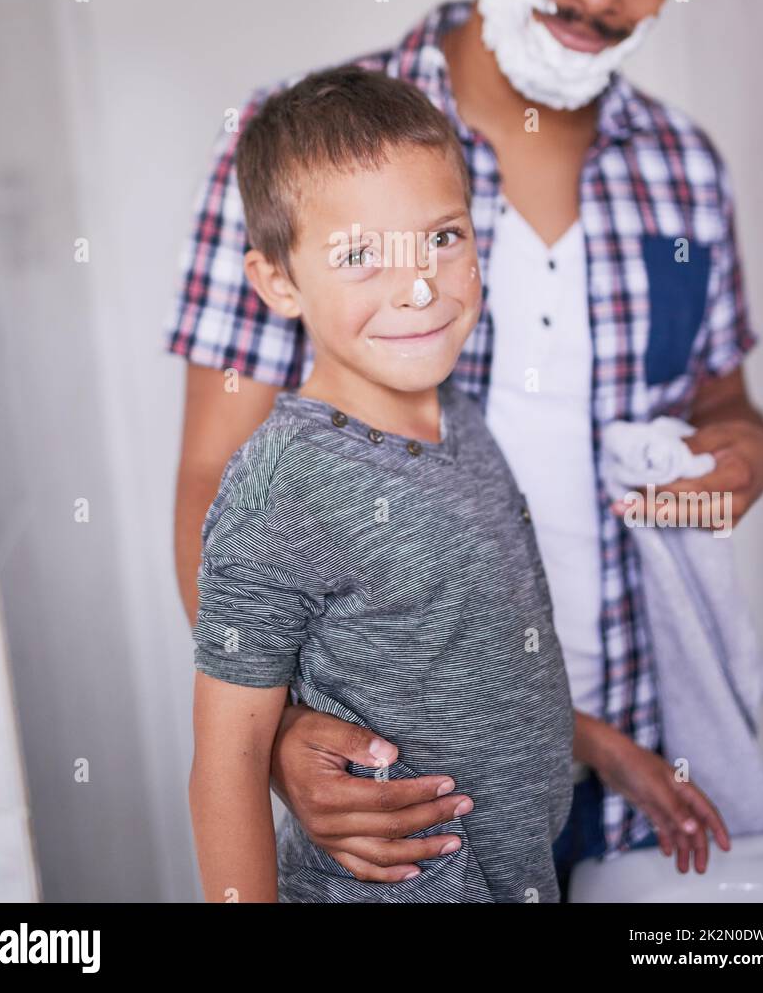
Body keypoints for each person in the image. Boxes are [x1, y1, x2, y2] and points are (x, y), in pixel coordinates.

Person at [167, 0, 763, 896]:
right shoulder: (312, 155)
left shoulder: (684, 171)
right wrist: (287, 730)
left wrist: (746, 453)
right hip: (403, 781)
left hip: (635, 744)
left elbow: (725, 403)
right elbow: (218, 478)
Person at [189, 66, 574, 902]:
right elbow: (225, 768)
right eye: (359, 256)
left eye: (443, 236)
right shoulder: (284, 486)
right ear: (279, 284)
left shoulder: (461, 420)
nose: (419, 286)